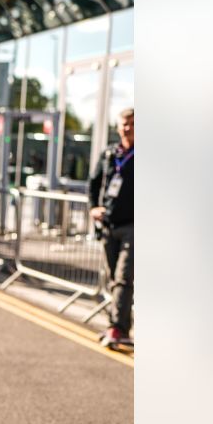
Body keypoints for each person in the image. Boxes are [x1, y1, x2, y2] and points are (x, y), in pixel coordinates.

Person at [88, 108, 134, 349]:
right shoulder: (110, 154)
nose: (128, 128)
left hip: (133, 226)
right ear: (118, 127)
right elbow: (94, 183)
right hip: (109, 224)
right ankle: (121, 327)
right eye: (124, 124)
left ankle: (116, 326)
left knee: (124, 278)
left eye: (133, 124)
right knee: (113, 277)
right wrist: (94, 208)